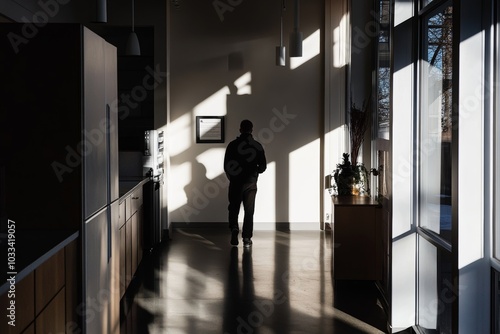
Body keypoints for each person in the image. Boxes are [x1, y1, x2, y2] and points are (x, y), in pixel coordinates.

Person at [224, 119, 267, 247]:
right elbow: (263, 166)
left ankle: (234, 228)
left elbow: (226, 165)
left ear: (240, 129)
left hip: (236, 182)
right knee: (249, 210)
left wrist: (232, 177)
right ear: (251, 130)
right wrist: (255, 172)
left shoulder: (232, 145)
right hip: (251, 183)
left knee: (233, 207)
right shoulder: (257, 145)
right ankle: (247, 238)